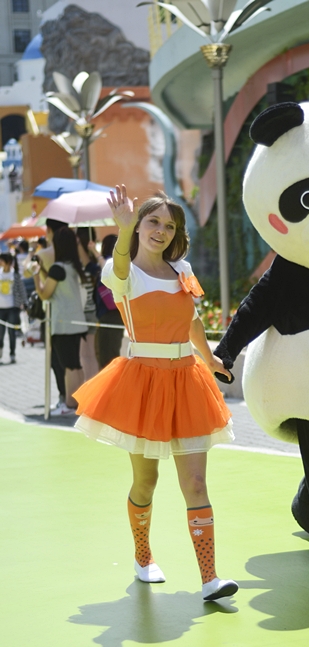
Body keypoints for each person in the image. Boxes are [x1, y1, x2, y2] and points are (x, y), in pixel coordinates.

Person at [73, 186, 238, 602]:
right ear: (138, 225)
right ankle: (142, 556)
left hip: (188, 381)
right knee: (146, 481)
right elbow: (120, 268)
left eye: (169, 225)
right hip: (144, 385)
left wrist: (209, 359)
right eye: (153, 222)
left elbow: (193, 319)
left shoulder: (182, 270)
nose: (161, 231)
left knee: (196, 483)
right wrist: (124, 229)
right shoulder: (123, 271)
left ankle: (210, 579)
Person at [32, 227, 88, 415]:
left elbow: (44, 294)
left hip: (63, 323)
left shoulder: (58, 268)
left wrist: (36, 274)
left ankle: (70, 405)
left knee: (68, 366)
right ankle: (79, 403)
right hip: (76, 322)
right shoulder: (73, 266)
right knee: (76, 364)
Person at [92, 233, 125, 369]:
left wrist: (94, 252)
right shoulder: (122, 265)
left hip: (109, 316)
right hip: (117, 315)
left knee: (106, 357)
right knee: (109, 354)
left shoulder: (109, 264)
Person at [76, 226, 100, 380]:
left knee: (84, 355)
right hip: (94, 311)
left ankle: (89, 385)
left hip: (83, 313)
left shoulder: (79, 262)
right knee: (92, 353)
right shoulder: (94, 259)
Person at [0, 252, 27, 364]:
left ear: (8, 262)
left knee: (12, 333)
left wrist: (25, 303)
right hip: (1, 307)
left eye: (2, 260)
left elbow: (21, 290)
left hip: (12, 307)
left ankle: (12, 354)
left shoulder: (15, 275)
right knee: (0, 333)